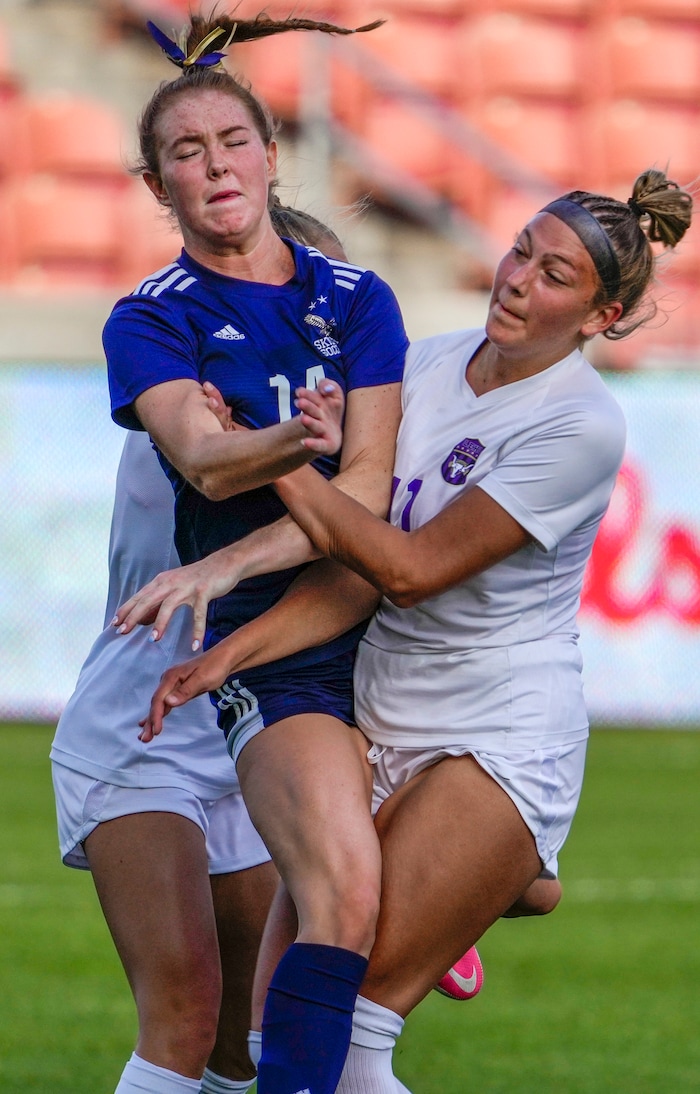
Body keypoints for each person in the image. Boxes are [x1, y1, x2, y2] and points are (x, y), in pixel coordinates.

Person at [134, 168, 693, 1091]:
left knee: (351, 1037)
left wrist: (276, 457)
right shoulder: (426, 363)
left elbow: (410, 566)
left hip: (494, 728)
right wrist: (224, 654)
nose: (518, 279)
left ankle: (504, 857)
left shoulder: (581, 424)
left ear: (601, 318)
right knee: (281, 1033)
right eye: (521, 249)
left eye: (556, 276)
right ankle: (502, 880)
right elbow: (356, 581)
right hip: (378, 712)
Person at [102, 12, 409, 1094]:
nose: (213, 165)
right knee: (337, 901)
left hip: (401, 638)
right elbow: (203, 458)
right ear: (159, 186)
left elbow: (366, 493)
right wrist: (290, 441)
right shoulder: (149, 316)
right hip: (281, 653)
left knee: (499, 888)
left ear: (273, 155)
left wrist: (226, 554)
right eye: (184, 153)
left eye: (231, 142)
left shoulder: (362, 299)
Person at [49, 204, 354, 1094]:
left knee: (245, 1048)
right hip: (136, 734)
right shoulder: (183, 407)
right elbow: (222, 467)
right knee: (182, 1017)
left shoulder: (336, 438)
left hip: (242, 737)